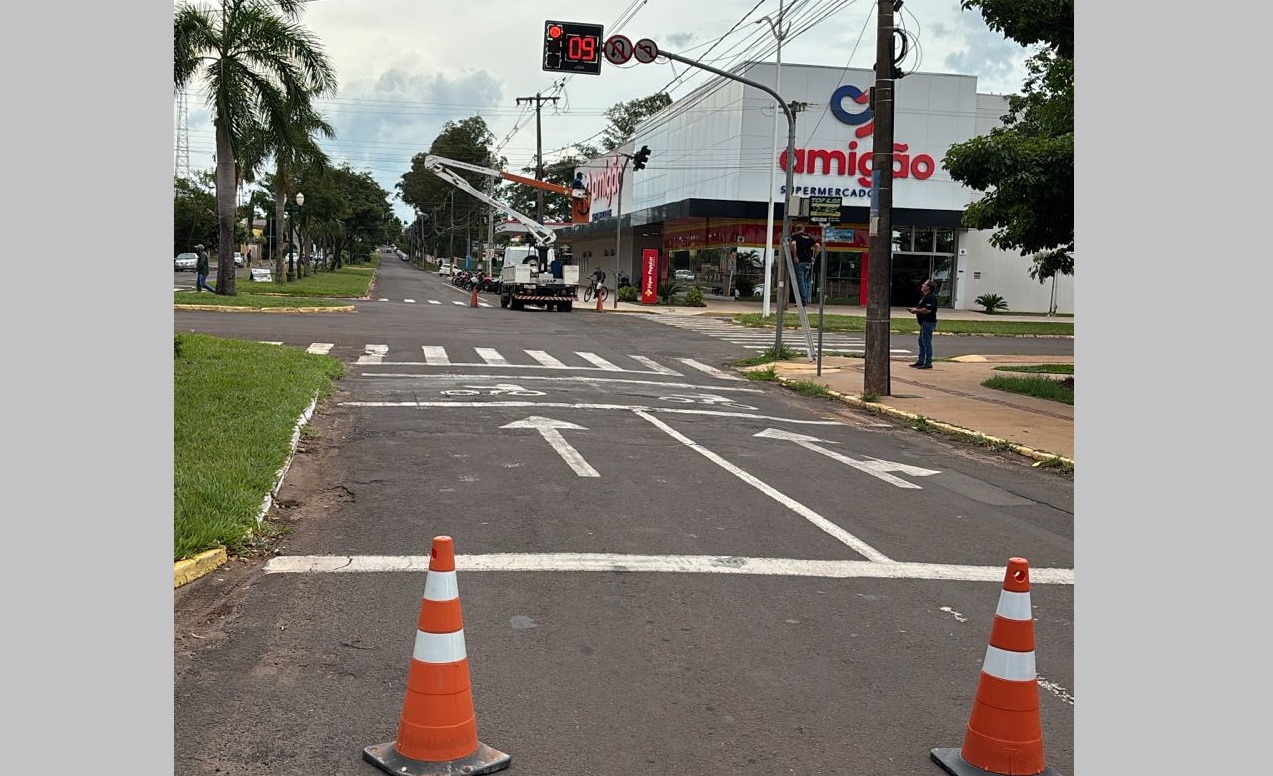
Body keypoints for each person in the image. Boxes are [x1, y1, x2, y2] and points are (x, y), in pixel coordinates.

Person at [907, 279, 939, 368]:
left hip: (928, 322)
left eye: (924, 284)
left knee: (926, 342)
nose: (922, 285)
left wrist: (915, 311)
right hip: (924, 323)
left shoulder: (931, 297)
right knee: (921, 342)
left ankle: (928, 362)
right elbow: (923, 308)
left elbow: (927, 310)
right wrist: (915, 309)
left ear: (929, 287)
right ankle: (921, 361)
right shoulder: (924, 296)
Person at [788, 225, 820, 306]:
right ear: (803, 229)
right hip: (808, 262)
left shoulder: (795, 236)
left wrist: (795, 256)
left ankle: (803, 300)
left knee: (800, 281)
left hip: (799, 262)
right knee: (805, 281)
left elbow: (793, 244)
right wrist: (813, 257)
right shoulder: (809, 237)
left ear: (796, 229)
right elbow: (818, 247)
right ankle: (805, 299)